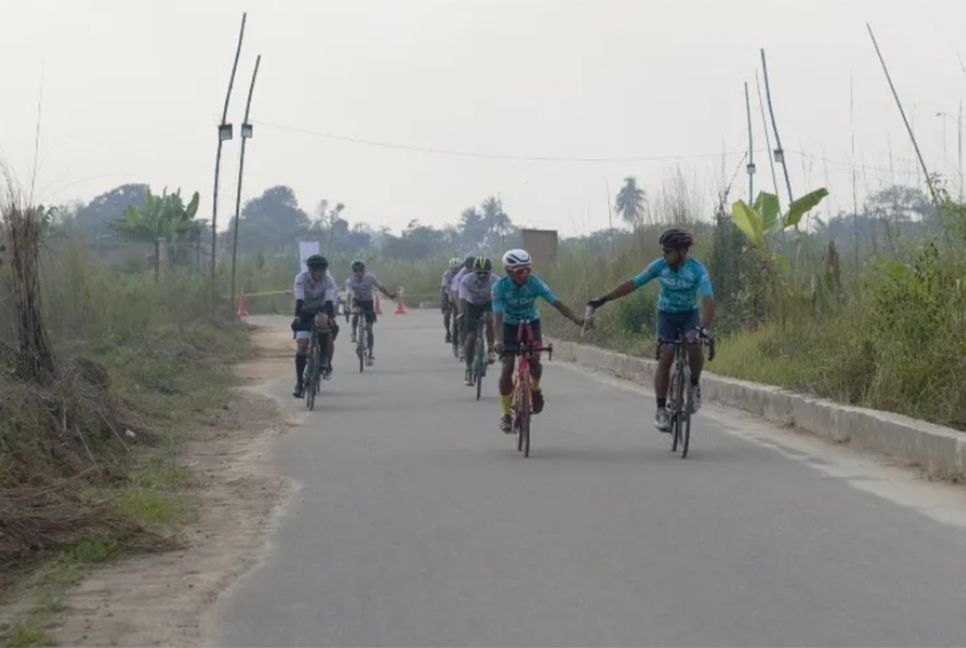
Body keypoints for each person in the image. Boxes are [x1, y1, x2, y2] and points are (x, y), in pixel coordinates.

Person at [587, 228, 715, 432]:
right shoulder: (660, 266)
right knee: (667, 355)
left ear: (682, 252)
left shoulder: (698, 270)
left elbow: (708, 301)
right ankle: (661, 409)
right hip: (666, 315)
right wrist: (604, 299)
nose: (664, 255)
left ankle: (693, 383)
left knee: (694, 345)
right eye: (663, 251)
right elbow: (632, 284)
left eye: (668, 252)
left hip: (689, 315)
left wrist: (701, 328)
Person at [492, 249, 585, 433]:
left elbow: (556, 303)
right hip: (508, 326)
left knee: (535, 359)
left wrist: (577, 319)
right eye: (520, 271)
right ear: (509, 272)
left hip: (530, 323)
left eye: (528, 269)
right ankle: (505, 414)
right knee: (507, 367)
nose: (525, 274)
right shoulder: (499, 288)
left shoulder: (534, 283)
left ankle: (535, 389)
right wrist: (497, 340)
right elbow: (497, 317)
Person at [291, 254, 339, 398]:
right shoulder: (301, 279)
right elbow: (299, 301)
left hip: (321, 309)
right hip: (305, 310)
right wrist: (298, 318)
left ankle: (324, 357)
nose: (319, 274)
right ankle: (299, 383)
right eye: (316, 270)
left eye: (322, 270)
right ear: (310, 270)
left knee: (324, 322)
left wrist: (331, 319)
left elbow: (329, 303)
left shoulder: (329, 280)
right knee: (302, 346)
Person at [345, 259, 396, 364]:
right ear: (353, 271)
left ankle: (370, 354)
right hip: (357, 301)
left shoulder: (370, 277)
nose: (359, 273)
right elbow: (349, 295)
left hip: (368, 302)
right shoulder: (350, 281)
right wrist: (347, 308)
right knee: (356, 311)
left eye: (361, 271)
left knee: (369, 329)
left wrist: (390, 295)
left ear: (364, 271)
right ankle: (354, 333)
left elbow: (381, 287)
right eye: (356, 271)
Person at [459, 256, 499, 385]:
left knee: (489, 319)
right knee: (470, 338)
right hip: (472, 305)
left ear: (490, 271)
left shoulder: (495, 281)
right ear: (473, 271)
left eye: (485, 273)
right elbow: (462, 299)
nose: (482, 276)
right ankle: (469, 369)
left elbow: (499, 302)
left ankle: (491, 348)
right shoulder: (466, 279)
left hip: (488, 303)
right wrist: (462, 314)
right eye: (478, 273)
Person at [449, 254, 476, 356]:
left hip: (473, 296)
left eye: (472, 267)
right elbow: (456, 294)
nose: (470, 269)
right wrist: (461, 310)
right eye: (468, 267)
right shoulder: (461, 275)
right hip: (458, 296)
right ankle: (459, 344)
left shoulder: (479, 272)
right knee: (461, 321)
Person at [440, 257, 461, 344]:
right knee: (447, 314)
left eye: (457, 268)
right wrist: (444, 304)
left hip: (459, 296)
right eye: (453, 268)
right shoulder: (447, 274)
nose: (455, 270)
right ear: (450, 267)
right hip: (448, 295)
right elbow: (444, 288)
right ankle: (448, 332)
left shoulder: (462, 274)